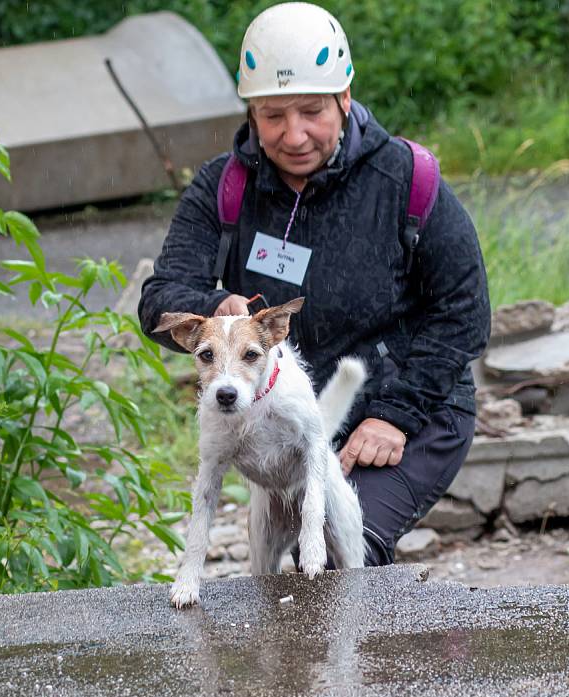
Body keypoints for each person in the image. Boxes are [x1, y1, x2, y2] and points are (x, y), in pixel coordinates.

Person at [138, 1, 491, 567]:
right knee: (272, 571)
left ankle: (380, 651)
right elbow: (160, 299)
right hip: (290, 416)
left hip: (411, 407)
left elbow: (465, 311)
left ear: (344, 99)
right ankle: (310, 657)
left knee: (339, 553)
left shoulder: (406, 180)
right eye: (273, 116)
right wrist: (215, 308)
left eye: (311, 112)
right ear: (251, 112)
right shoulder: (223, 186)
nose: (293, 134)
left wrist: (395, 414)